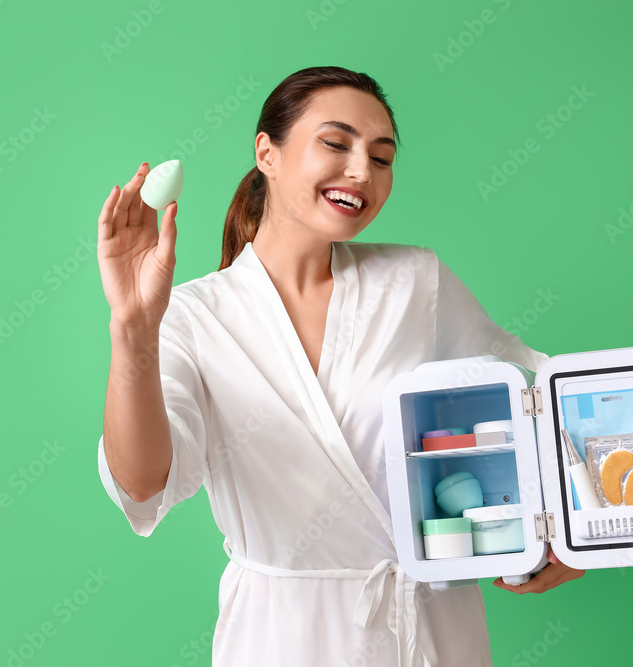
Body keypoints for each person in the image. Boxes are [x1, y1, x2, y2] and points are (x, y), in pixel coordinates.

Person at [96, 65, 584, 667]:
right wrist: (133, 329)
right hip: (282, 640)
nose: (362, 171)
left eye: (381, 158)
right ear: (266, 153)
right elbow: (144, 483)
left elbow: (540, 400)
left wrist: (573, 530)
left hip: (430, 627)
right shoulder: (193, 316)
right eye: (336, 143)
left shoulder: (414, 282)